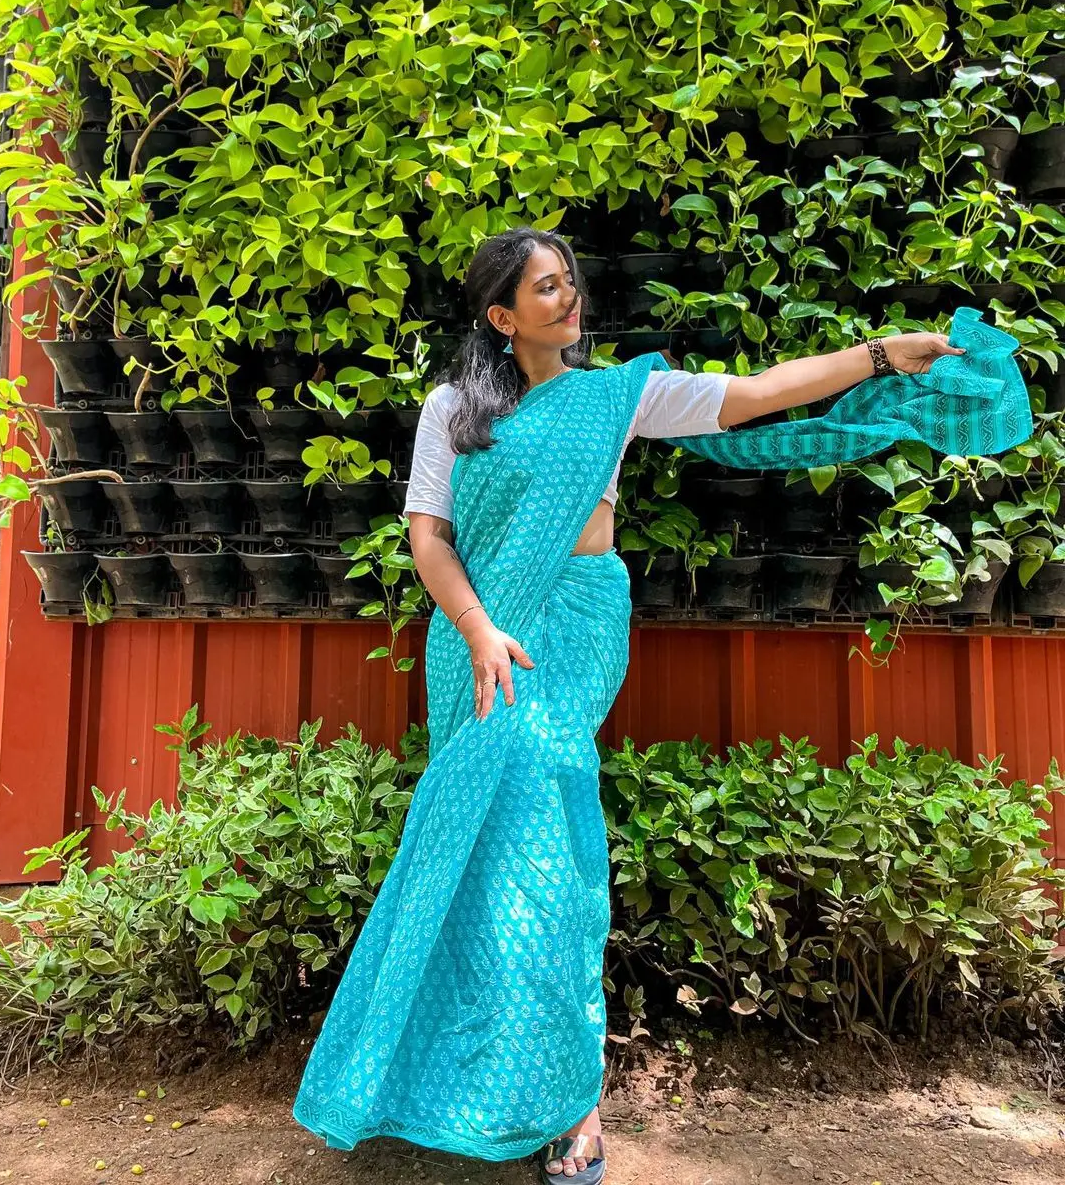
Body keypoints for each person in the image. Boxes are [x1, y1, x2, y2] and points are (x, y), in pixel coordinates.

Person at [292, 227, 1029, 1183]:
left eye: (571, 283)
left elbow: (759, 393)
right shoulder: (451, 410)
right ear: (501, 315)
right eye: (546, 289)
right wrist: (476, 628)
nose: (570, 301)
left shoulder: (616, 395)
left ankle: (574, 1106)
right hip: (478, 640)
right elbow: (429, 537)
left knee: (548, 866)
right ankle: (444, 1087)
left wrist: (888, 352)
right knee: (475, 858)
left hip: (573, 630)